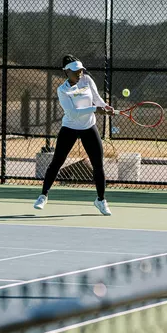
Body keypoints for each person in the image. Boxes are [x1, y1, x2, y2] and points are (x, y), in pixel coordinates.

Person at [34, 55, 114, 216]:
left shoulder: (87, 80)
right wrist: (95, 109)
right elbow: (73, 113)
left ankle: (101, 200)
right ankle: (43, 196)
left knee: (98, 165)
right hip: (70, 127)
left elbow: (97, 99)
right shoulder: (62, 90)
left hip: (89, 127)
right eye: (76, 72)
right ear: (67, 72)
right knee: (56, 163)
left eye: (81, 71)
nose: (79, 74)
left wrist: (105, 106)